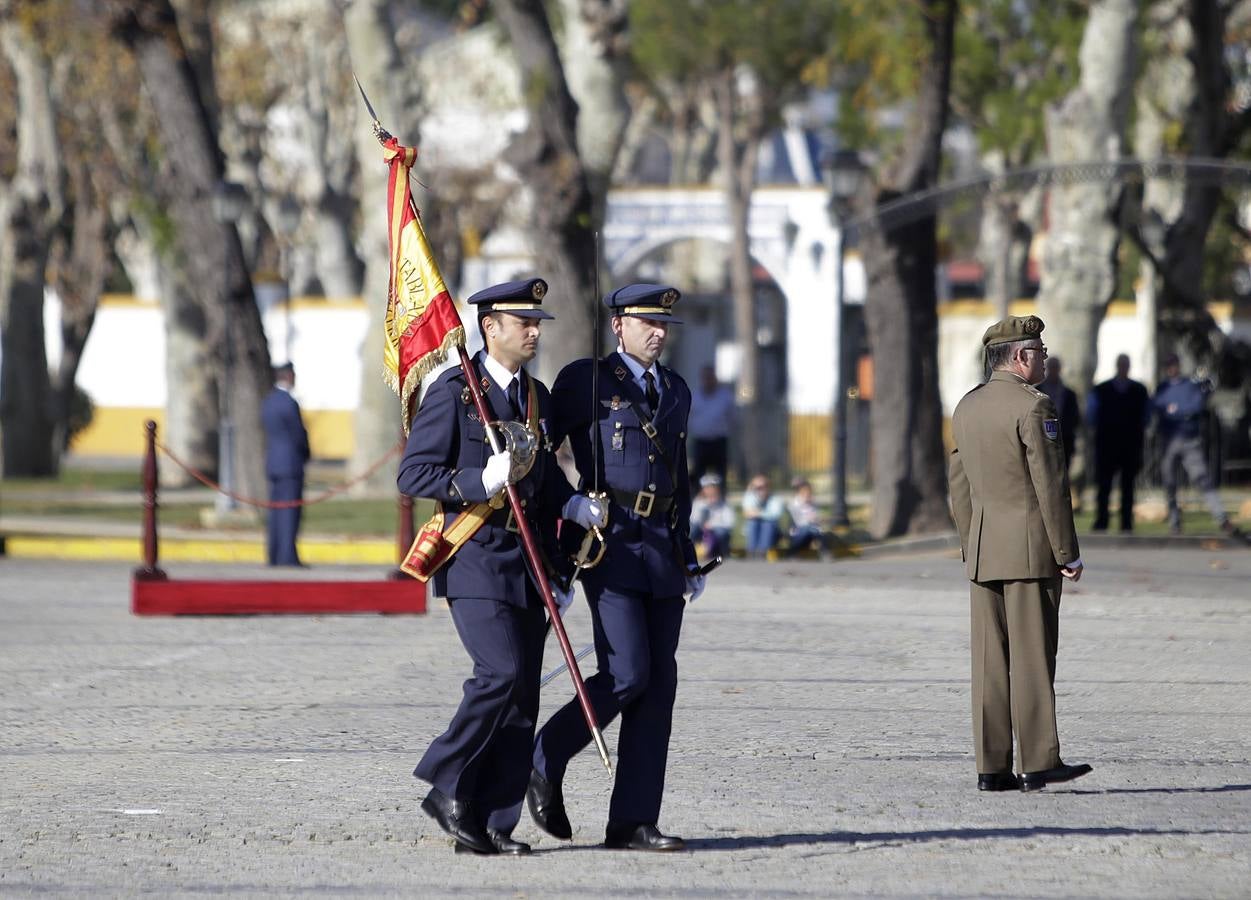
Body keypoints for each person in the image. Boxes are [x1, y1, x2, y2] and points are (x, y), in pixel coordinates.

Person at [397, 277, 607, 856]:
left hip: (529, 560)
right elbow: (413, 475)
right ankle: (445, 783)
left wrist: (570, 502)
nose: (535, 331)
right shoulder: (456, 391)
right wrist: (476, 482)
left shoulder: (535, 397)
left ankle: (491, 820)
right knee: (500, 673)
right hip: (476, 557)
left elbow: (538, 483)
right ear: (491, 327)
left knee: (523, 698)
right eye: (524, 322)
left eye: (537, 322)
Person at [529, 282, 703, 852]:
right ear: (618, 326)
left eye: (665, 325)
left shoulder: (675, 389)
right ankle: (545, 754)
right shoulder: (588, 381)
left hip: (662, 550)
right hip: (610, 542)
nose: (658, 333)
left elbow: (679, 477)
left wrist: (690, 556)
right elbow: (540, 459)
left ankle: (632, 820)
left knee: (659, 686)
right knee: (626, 674)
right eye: (647, 322)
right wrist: (569, 518)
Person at [949, 314, 1092, 793]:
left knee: (990, 662)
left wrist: (972, 544)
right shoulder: (1035, 407)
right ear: (1019, 357)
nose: (1045, 359)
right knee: (1032, 657)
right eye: (1040, 352)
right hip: (1030, 550)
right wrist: (1066, 550)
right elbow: (1050, 486)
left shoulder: (967, 407)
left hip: (985, 551)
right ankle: (1038, 760)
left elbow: (959, 486)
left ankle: (991, 767)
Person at [1153, 353, 1246, 541]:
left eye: (1174, 364)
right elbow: (1157, 408)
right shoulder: (1162, 388)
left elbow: (1194, 407)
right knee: (1170, 482)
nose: (1172, 368)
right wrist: (1173, 412)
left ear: (1178, 365)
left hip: (1189, 440)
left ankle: (1221, 518)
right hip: (1169, 440)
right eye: (1168, 365)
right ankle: (1175, 521)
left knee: (1203, 479)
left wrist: (1174, 411)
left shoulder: (1189, 386)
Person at [1087, 353, 1150, 532]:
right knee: (1104, 485)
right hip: (1107, 443)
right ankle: (1102, 520)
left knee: (1128, 485)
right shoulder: (1101, 389)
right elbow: (1092, 415)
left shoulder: (1139, 390)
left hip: (1130, 444)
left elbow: (1146, 416)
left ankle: (1126, 522)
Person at [261, 362, 310, 566]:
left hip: (273, 461)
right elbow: (298, 434)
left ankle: (274, 554)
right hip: (290, 463)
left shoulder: (268, 401)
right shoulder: (289, 403)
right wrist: (306, 453)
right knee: (290, 511)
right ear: (289, 376)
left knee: (276, 511)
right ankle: (287, 556)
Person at [687, 364, 735, 490]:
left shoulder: (725, 396)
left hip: (719, 441)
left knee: (720, 475)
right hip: (701, 441)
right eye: (705, 377)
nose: (708, 380)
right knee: (698, 475)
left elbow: (732, 417)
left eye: (710, 377)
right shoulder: (695, 396)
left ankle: (721, 500)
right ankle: (697, 501)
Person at [1038, 356, 1081, 475]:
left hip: (1064, 443)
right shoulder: (1037, 391)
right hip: (1041, 443)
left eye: (1056, 367)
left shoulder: (1069, 394)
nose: (1053, 370)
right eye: (1051, 367)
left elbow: (1075, 418)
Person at [689, 473, 735, 559]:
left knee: (721, 533)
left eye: (713, 487)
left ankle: (722, 552)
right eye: (708, 488)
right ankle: (691, 552)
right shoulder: (698, 502)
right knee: (692, 530)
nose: (711, 490)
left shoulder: (724, 503)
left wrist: (712, 525)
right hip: (701, 530)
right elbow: (693, 519)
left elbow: (729, 523)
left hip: (716, 530)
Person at [786, 478, 833, 559]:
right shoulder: (793, 504)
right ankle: (792, 552)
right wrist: (810, 520)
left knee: (818, 531)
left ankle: (825, 552)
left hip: (811, 532)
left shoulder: (813, 504)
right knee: (809, 528)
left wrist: (821, 519)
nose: (808, 495)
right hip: (797, 533)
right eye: (805, 492)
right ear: (799, 493)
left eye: (809, 492)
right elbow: (798, 522)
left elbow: (817, 517)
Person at [741, 474, 785, 558]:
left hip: (774, 531)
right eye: (757, 488)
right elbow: (747, 513)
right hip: (754, 529)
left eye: (763, 487)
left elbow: (775, 515)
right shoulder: (751, 496)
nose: (760, 490)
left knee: (767, 524)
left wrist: (759, 513)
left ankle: (762, 552)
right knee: (753, 522)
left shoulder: (776, 499)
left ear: (769, 486)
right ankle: (751, 552)